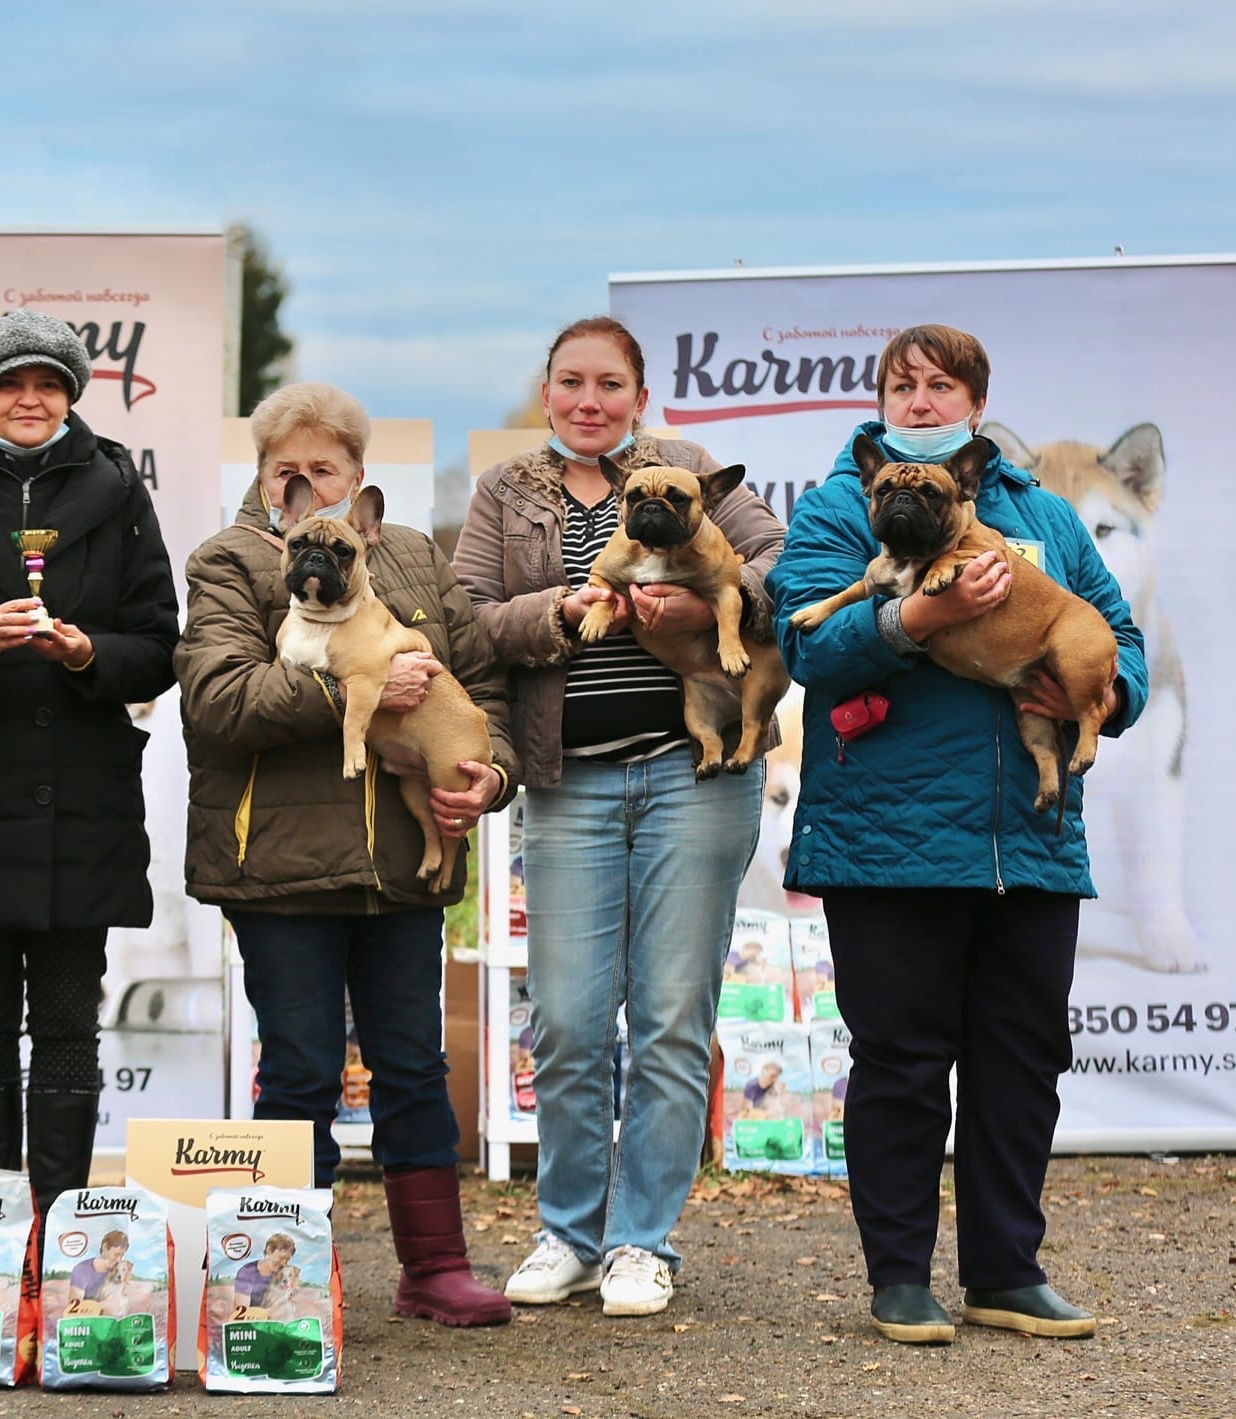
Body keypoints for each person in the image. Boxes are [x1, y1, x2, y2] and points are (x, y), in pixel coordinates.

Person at [765, 323, 1147, 1345]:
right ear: (881, 404)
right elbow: (808, 648)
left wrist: (1107, 691)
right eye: (903, 385)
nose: (922, 400)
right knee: (899, 1060)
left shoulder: (1047, 517)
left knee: (1023, 1056)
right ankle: (900, 1278)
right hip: (884, 834)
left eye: (941, 386)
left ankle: (1005, 1272)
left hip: (1030, 832)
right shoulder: (843, 509)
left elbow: (1123, 636)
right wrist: (912, 626)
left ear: (975, 407)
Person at [451, 316, 784, 1318]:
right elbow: (468, 620)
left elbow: (786, 571)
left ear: (640, 394)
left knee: (674, 1017)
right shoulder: (506, 494)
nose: (588, 401)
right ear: (546, 392)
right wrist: (558, 611)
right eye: (569, 383)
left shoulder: (694, 471)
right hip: (571, 782)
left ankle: (644, 1242)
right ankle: (569, 1232)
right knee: (566, 1020)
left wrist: (714, 607)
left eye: (609, 384)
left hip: (696, 774)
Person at [175, 381, 516, 1328]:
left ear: (360, 479)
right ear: (266, 487)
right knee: (300, 1068)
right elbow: (217, 701)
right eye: (288, 471)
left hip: (407, 860)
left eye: (324, 468)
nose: (306, 484)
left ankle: (435, 1267)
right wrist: (358, 689)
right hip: (280, 865)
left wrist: (495, 777)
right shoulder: (229, 563)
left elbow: (483, 681)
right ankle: (281, 1281)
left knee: (411, 1062)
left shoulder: (411, 555)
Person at [0, 310, 179, 1217]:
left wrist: (92, 656)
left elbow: (161, 642)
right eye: (10, 383)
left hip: (78, 796)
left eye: (47, 382)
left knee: (65, 1023)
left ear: (71, 395)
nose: (29, 397)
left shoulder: (117, 488)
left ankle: (60, 1228)